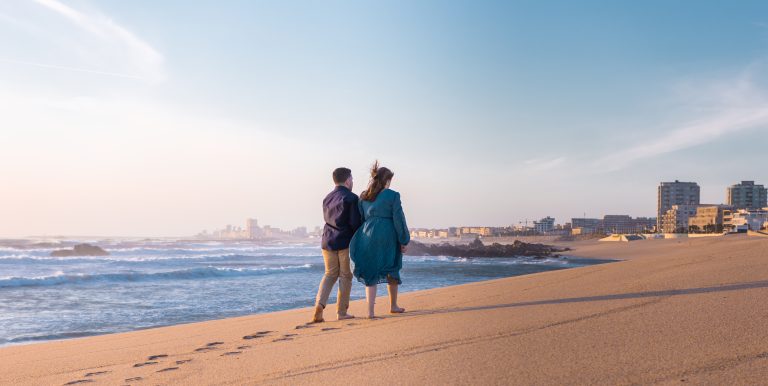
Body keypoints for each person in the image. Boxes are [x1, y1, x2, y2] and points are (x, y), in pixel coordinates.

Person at [349, 161, 410, 319]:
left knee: (370, 272)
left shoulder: (364, 196)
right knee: (392, 268)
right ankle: (393, 305)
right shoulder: (393, 195)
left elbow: (362, 219)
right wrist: (404, 239)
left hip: (367, 235)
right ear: (387, 180)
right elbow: (399, 219)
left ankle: (370, 312)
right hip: (387, 236)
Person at [312, 167, 361, 323]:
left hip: (327, 241)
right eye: (352, 179)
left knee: (329, 274)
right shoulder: (352, 198)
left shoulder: (327, 198)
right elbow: (355, 223)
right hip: (345, 241)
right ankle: (341, 312)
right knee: (345, 276)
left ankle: (319, 305)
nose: (352, 181)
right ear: (347, 180)